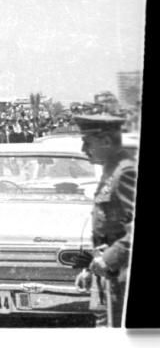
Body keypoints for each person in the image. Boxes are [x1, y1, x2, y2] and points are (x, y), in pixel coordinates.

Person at [74, 115, 137, 327]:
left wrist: (109, 259)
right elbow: (105, 229)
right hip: (109, 276)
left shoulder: (126, 171)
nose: (84, 149)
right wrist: (90, 269)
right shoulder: (111, 169)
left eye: (87, 142)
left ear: (106, 141)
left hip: (122, 275)